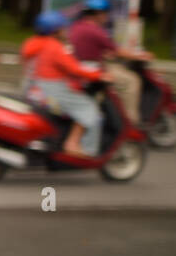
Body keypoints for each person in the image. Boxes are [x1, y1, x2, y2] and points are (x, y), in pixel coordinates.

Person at [22, 10, 113, 159]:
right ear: (55, 30)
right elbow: (74, 68)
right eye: (63, 28)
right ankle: (78, 146)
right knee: (89, 107)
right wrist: (99, 75)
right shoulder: (54, 47)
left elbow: (51, 68)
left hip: (32, 90)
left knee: (78, 104)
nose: (65, 31)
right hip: (51, 92)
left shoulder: (32, 43)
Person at [68, 0, 151, 125]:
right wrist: (140, 56)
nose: (107, 17)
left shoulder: (77, 27)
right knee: (132, 81)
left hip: (82, 67)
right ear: (98, 14)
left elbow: (95, 48)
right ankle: (131, 122)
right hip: (95, 70)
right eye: (106, 13)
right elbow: (118, 51)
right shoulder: (96, 31)